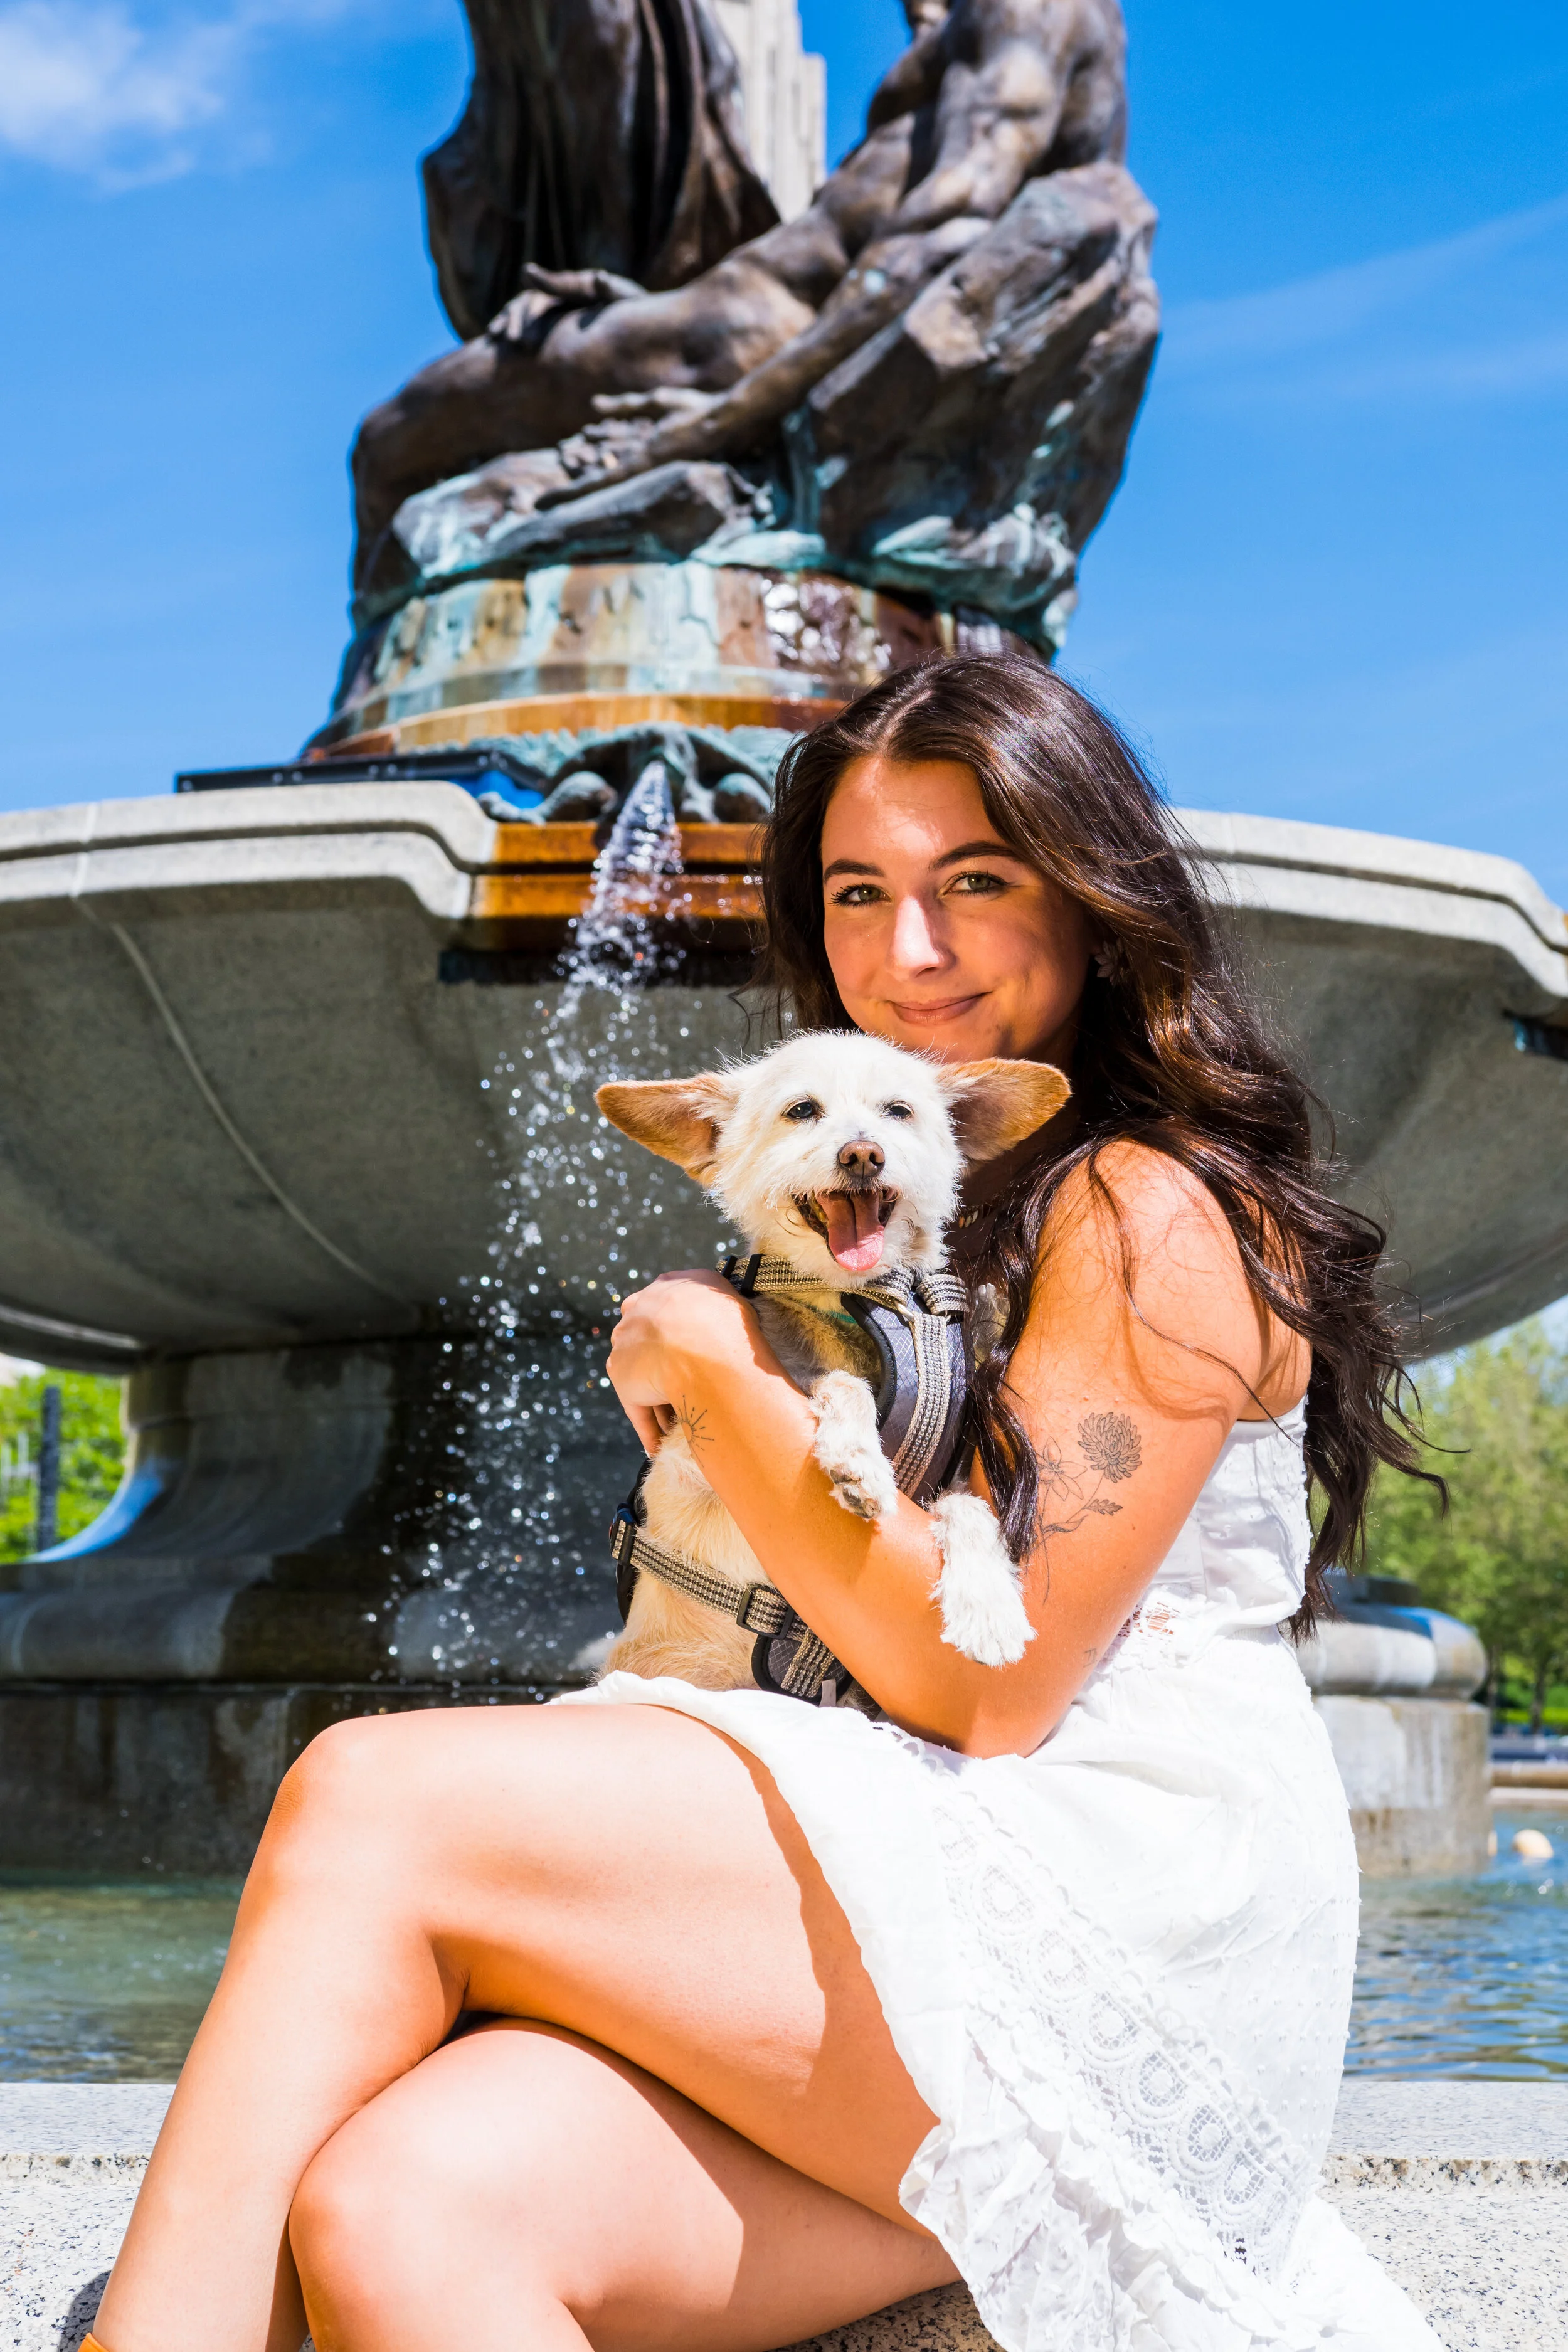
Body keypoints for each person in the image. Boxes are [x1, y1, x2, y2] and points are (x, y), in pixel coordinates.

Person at [91, 654, 1443, 2352]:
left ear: (1097, 899)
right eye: (859, 893)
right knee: (405, 2203)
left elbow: (989, 1682)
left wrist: (713, 1361)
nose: (910, 952)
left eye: (978, 882)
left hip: (1121, 1920)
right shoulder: (933, 1207)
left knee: (375, 1793)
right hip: (934, 1876)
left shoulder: (1136, 1198)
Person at [351, 0, 1133, 574]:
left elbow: (941, 235)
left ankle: (363, 738)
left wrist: (718, 422)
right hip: (725, 317)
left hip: (732, 341)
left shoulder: (1025, 13)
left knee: (392, 444)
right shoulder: (1050, 36)